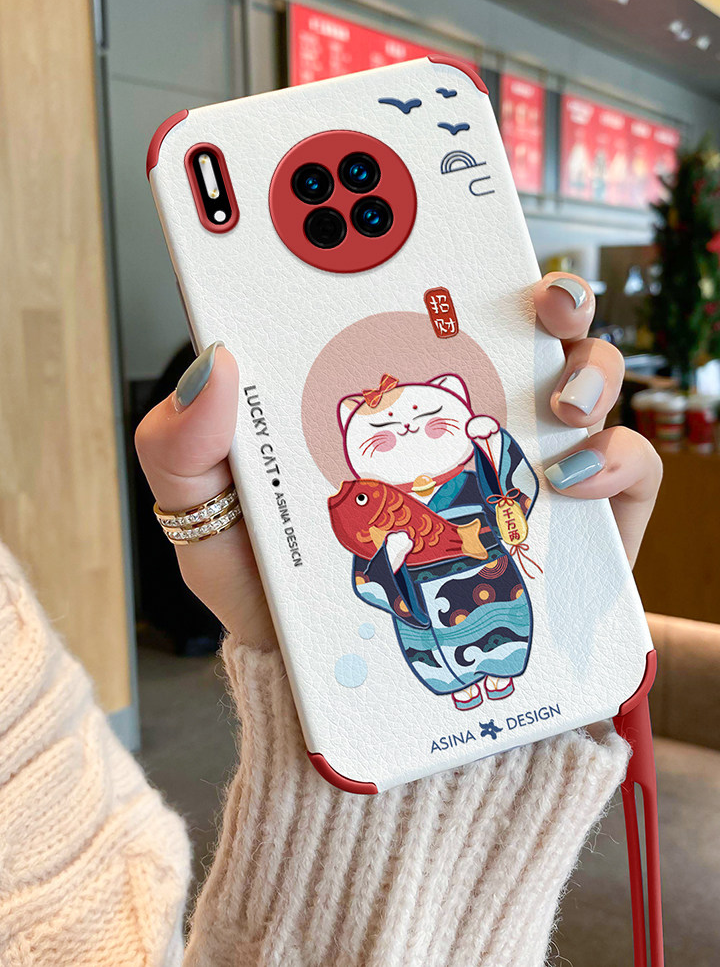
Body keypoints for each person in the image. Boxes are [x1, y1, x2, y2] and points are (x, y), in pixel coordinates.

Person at [0, 275, 662, 966]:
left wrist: (513, 726)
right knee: (445, 660)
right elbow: (369, 577)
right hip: (426, 622)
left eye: (426, 415)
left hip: (498, 594)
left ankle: (495, 685)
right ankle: (472, 692)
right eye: (383, 427)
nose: (406, 429)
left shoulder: (479, 468)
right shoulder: (366, 504)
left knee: (502, 645)